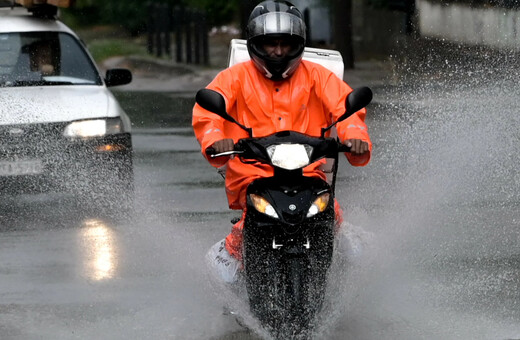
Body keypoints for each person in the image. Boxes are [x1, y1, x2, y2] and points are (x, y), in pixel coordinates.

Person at [193, 1, 371, 269]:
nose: (277, 52)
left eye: (285, 44)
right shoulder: (233, 78)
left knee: (332, 219)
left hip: (307, 173)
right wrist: (215, 139)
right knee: (240, 240)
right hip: (252, 174)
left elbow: (346, 108)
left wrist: (354, 137)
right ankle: (236, 274)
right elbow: (207, 113)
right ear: (255, 43)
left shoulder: (319, 78)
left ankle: (338, 278)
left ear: (298, 44)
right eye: (270, 44)